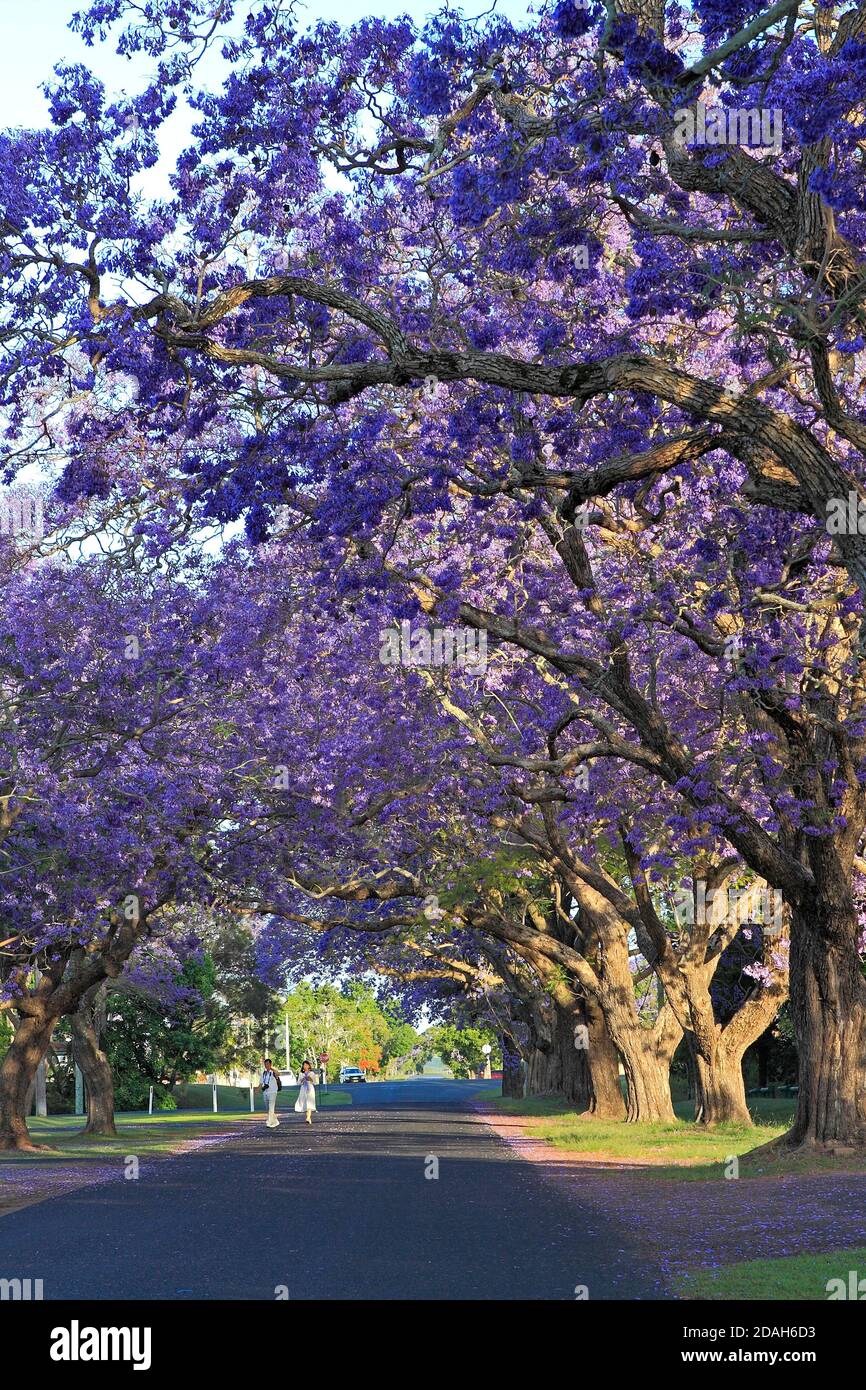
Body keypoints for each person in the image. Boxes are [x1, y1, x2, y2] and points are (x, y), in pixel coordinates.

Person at [261, 1057, 281, 1129]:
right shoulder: (264, 1073)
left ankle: (269, 1122)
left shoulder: (273, 1072)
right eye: (265, 1064)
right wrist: (257, 1089)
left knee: (271, 1107)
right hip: (265, 1092)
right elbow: (261, 1082)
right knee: (268, 1108)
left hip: (273, 1091)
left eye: (268, 1064)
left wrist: (271, 1068)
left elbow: (278, 1074)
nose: (266, 1065)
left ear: (270, 1064)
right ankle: (275, 1121)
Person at [294, 1060, 317, 1125]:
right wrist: (302, 1079)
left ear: (309, 1066)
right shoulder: (301, 1074)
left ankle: (308, 1117)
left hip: (310, 1089)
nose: (305, 1066)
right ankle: (308, 1118)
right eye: (304, 1065)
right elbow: (298, 1083)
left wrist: (310, 1079)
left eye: (307, 1065)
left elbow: (314, 1082)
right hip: (303, 1089)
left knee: (309, 1103)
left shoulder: (312, 1073)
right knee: (305, 1103)